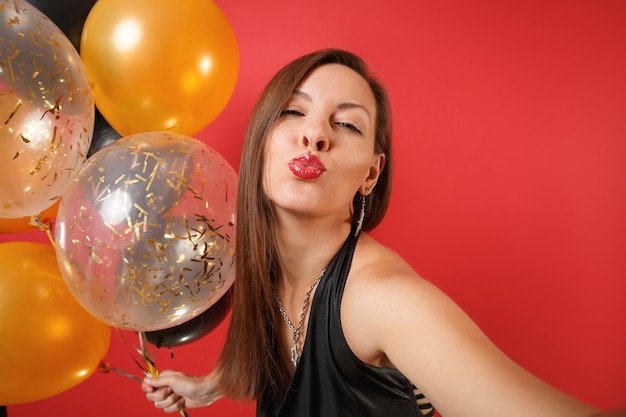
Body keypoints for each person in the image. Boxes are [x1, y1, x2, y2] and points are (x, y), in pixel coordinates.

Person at [142, 48, 625, 417]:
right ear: (260, 142)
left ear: (370, 174)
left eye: (347, 123)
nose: (315, 135)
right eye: (293, 112)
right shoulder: (262, 258)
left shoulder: (383, 301)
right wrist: (210, 385)